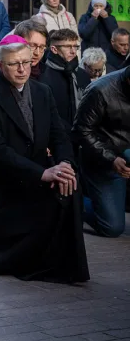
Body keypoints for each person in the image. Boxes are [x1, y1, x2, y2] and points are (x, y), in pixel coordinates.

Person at [0, 36, 89, 283]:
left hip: (37, 177)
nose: (22, 69)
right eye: (14, 64)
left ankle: (64, 265)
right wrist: (42, 173)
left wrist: (65, 164)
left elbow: (59, 135)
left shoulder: (42, 92)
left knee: (70, 186)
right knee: (9, 262)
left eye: (26, 62)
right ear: (1, 65)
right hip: (6, 187)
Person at [73, 65, 130, 238]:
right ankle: (71, 201)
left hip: (126, 152)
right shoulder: (101, 90)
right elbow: (81, 131)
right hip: (104, 158)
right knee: (112, 227)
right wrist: (111, 159)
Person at [39, 29, 89, 132]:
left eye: (75, 46)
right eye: (67, 46)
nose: (73, 51)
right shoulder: (43, 76)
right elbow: (46, 115)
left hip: (83, 134)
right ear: (54, 49)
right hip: (57, 137)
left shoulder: (82, 74)